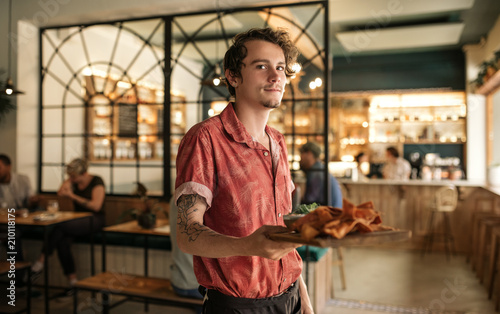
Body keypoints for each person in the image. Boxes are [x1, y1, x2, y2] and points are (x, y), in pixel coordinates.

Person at [174, 28, 314, 313]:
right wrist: (249, 245)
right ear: (233, 76)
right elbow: (186, 234)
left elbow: (287, 236)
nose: (276, 77)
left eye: (280, 68)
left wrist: (305, 303)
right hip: (237, 306)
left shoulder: (278, 142)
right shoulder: (205, 138)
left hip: (291, 298)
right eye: (261, 66)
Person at [31, 158, 106, 292]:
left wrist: (72, 196)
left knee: (59, 226)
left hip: (95, 219)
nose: (71, 178)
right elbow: (60, 192)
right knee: (62, 242)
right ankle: (73, 283)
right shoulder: (73, 181)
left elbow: (96, 206)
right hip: (77, 221)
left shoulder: (97, 181)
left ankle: (41, 261)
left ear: (83, 174)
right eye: (70, 176)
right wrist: (69, 180)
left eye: (73, 176)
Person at [299, 142, 343, 208]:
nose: (300, 159)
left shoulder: (315, 172)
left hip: (330, 215)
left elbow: (309, 201)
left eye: (301, 154)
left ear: (309, 154)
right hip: (333, 212)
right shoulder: (320, 168)